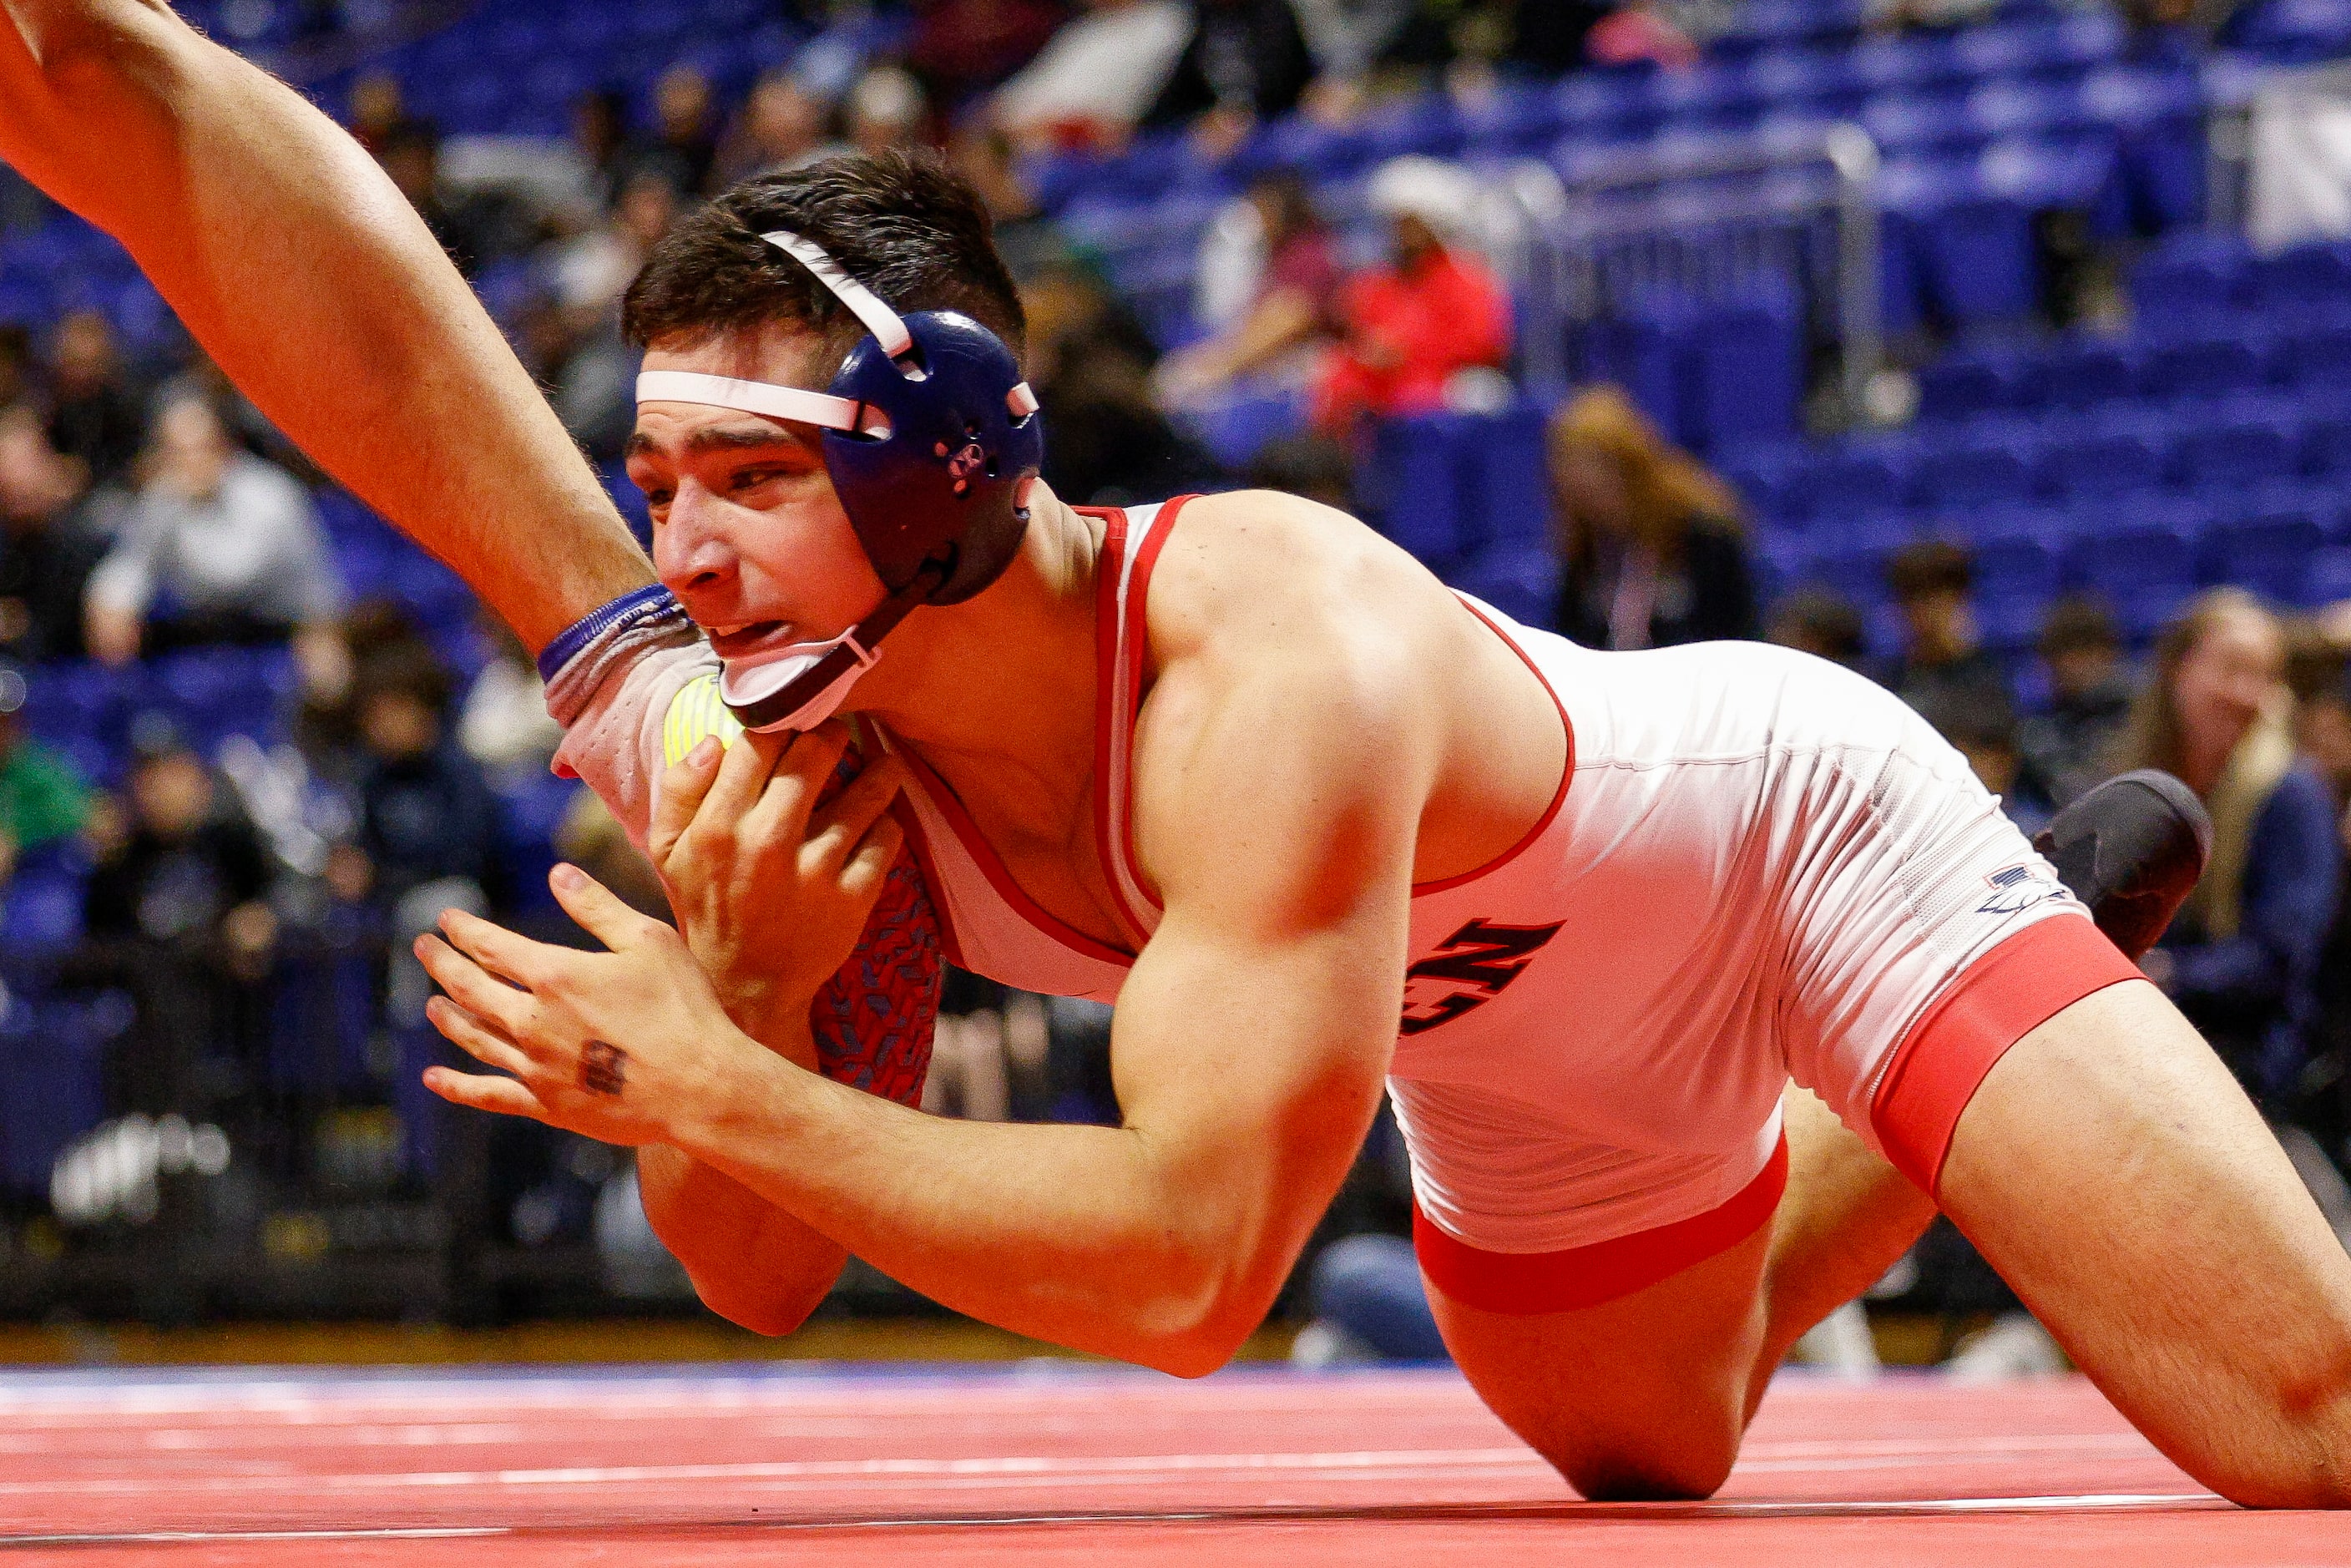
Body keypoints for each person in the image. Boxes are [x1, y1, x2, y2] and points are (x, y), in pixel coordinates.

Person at [16, 17, 2349, 1512]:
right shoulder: (808, 729)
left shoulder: (1273, 644)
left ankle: (1979, 975)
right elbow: (751, 1272)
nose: (681, 558)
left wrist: (720, 1082)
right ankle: (1921, 1118)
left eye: (741, 481)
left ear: (939, 467)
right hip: (1494, 1038)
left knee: (2294, 1419)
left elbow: (1194, 1269)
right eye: (653, 488)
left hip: (1783, 847)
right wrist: (731, 994)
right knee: (1667, 1437)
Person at [2121, 590, 2341, 1117]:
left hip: (2257, 1065)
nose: (2246, 694)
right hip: (2160, 1040)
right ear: (2179, 668)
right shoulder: (2134, 782)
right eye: (2231, 669)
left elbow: (2280, 957)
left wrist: (2171, 974)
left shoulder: (2292, 793)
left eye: (2263, 676)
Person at [83, 396, 345, 665]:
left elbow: (313, 583)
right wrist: (111, 603)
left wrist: (321, 635)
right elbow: (130, 566)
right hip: (202, 637)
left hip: (274, 632)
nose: (193, 461)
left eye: (202, 448)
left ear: (225, 447)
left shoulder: (273, 497)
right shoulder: (162, 500)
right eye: (178, 452)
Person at [1548, 386, 1756, 651]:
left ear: (1632, 467)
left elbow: (1738, 637)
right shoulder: (1584, 551)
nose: (1587, 497)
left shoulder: (1703, 535)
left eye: (1599, 477)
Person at [1313, 158, 1512, 433]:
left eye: (1410, 225)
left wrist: (1407, 351)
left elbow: (1483, 343)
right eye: (1396, 225)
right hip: (1380, 381)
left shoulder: (1466, 276)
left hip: (1438, 381)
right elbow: (1355, 334)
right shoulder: (1377, 282)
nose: (1401, 234)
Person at [1154, 171, 1341, 407]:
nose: (1259, 220)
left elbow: (1289, 320)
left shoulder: (1310, 255)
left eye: (1263, 210)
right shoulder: (1275, 254)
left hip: (1304, 366)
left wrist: (1221, 367)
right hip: (1262, 362)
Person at [0, 404, 109, 664]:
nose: (17, 480)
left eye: (25, 464)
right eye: (7, 467)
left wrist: (19, 626)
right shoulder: (7, 546)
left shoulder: (86, 543)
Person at [2020, 593, 2136, 811]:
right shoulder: (2036, 736)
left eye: (2086, 651)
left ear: (2109, 653)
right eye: (2064, 654)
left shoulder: (2139, 718)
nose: (2074, 666)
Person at [1880, 539, 2012, 720]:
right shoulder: (1890, 683)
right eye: (1911, 598)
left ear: (1960, 599)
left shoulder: (1989, 678)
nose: (1923, 611)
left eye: (1934, 597)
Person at [0, 658, 89, 890]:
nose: (3, 728)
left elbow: (79, 813)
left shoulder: (38, 768)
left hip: (29, 879)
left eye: (7, 720)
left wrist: (16, 836)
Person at [43, 309, 144, 487]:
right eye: (76, 362)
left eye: (93, 363)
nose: (84, 374)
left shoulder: (124, 409)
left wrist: (85, 473)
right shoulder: (44, 407)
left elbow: (133, 466)